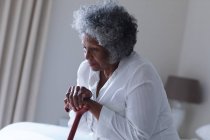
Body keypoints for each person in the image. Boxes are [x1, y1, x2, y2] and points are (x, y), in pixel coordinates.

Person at [64, 1, 180, 140]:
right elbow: (83, 129)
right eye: (84, 48)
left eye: (94, 49)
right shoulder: (85, 70)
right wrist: (76, 104)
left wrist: (90, 104)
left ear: (114, 48)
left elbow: (139, 137)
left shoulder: (141, 73)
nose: (87, 56)